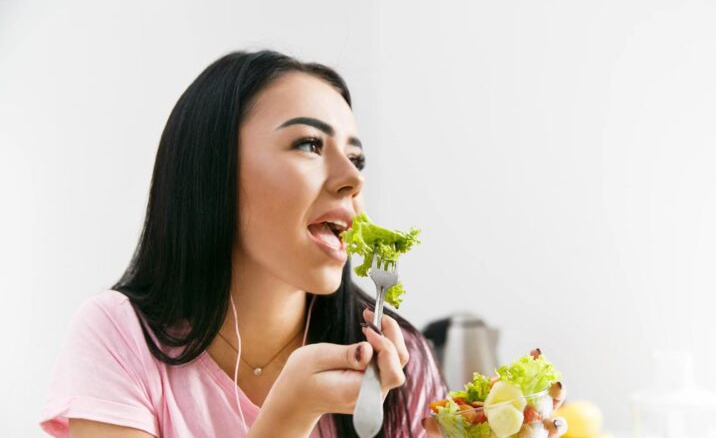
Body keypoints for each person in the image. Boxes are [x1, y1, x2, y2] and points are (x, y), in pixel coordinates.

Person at [40, 50, 448, 438]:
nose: (353, 179)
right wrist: (291, 415)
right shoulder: (119, 335)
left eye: (356, 159)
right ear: (214, 169)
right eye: (309, 144)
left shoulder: (402, 356)